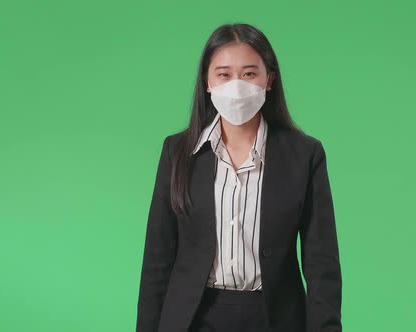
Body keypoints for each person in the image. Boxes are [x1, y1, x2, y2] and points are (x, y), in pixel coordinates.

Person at [136, 23, 342, 332]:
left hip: (275, 318)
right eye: (224, 74)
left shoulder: (305, 155)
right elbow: (157, 259)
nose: (237, 85)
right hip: (194, 317)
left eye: (249, 74)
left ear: (269, 80)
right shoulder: (177, 152)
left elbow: (321, 263)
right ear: (207, 81)